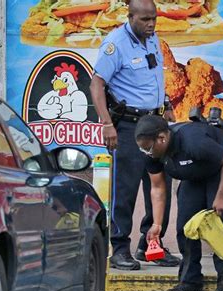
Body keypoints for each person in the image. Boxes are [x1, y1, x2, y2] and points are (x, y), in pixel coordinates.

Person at [89, 0, 180, 270]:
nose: (151, 24)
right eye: (145, 20)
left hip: (154, 123)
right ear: (130, 17)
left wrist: (168, 105)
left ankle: (151, 244)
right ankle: (118, 248)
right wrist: (107, 124)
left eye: (154, 19)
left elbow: (155, 77)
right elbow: (96, 84)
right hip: (127, 125)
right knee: (124, 189)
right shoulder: (115, 44)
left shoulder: (152, 39)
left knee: (160, 185)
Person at [136, 115, 223, 291]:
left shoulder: (193, 141)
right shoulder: (152, 153)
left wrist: (220, 197)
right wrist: (156, 224)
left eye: (148, 148)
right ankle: (190, 283)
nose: (146, 152)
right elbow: (158, 188)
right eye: (143, 149)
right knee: (185, 227)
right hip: (194, 175)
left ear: (162, 138)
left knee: (218, 223)